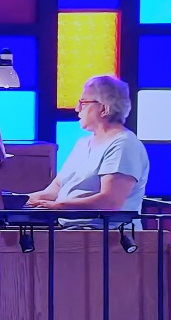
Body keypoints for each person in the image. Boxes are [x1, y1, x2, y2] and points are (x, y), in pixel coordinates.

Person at [26, 75, 150, 229]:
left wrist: (58, 207)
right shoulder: (82, 143)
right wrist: (19, 201)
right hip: (69, 228)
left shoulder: (124, 144)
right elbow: (56, 188)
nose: (77, 108)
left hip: (105, 234)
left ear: (104, 108)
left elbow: (110, 202)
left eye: (83, 103)